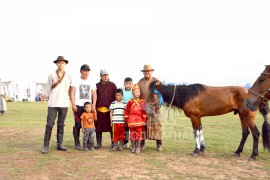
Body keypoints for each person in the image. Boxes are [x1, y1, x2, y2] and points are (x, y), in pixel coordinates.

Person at [41, 56, 72, 154]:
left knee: (61, 124)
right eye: (59, 63)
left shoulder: (69, 75)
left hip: (64, 102)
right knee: (50, 124)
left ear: (65, 64)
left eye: (62, 62)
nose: (61, 64)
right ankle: (46, 145)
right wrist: (44, 95)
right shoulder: (51, 74)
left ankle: (60, 144)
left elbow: (71, 89)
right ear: (56, 64)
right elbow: (48, 86)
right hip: (53, 102)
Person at [70, 64, 97, 150]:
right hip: (79, 105)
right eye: (85, 70)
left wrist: (93, 105)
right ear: (81, 71)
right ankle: (77, 143)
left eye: (88, 71)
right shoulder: (76, 80)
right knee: (78, 124)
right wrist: (73, 104)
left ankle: (89, 143)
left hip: (88, 106)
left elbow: (94, 94)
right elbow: (72, 92)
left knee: (89, 124)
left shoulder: (91, 81)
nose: (86, 72)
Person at [137, 64, 163, 151]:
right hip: (143, 107)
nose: (147, 72)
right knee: (143, 126)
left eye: (149, 71)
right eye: (145, 71)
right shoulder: (140, 82)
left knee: (157, 125)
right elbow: (136, 94)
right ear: (143, 72)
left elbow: (162, 94)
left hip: (155, 107)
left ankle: (159, 144)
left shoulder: (157, 82)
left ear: (151, 71)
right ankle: (142, 144)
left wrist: (158, 104)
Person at [95, 69, 117, 149]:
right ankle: (99, 143)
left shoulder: (112, 85)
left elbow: (116, 96)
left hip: (110, 110)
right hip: (99, 110)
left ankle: (113, 143)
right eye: (104, 75)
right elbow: (94, 97)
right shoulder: (96, 85)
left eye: (107, 75)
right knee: (98, 128)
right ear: (100, 76)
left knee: (111, 127)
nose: (106, 77)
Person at [124, 84, 147, 154]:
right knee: (132, 134)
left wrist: (144, 120)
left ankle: (138, 147)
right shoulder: (130, 102)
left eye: (138, 92)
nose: (137, 93)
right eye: (136, 92)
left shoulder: (142, 102)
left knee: (139, 133)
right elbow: (127, 111)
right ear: (132, 93)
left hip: (139, 120)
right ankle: (133, 146)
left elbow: (144, 112)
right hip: (131, 121)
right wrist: (127, 120)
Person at [122, 77, 134, 148]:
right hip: (124, 112)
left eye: (130, 84)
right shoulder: (122, 92)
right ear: (124, 84)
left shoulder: (133, 92)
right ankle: (126, 142)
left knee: (132, 128)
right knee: (125, 128)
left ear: (132, 84)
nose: (128, 85)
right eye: (127, 84)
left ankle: (133, 143)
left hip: (132, 113)